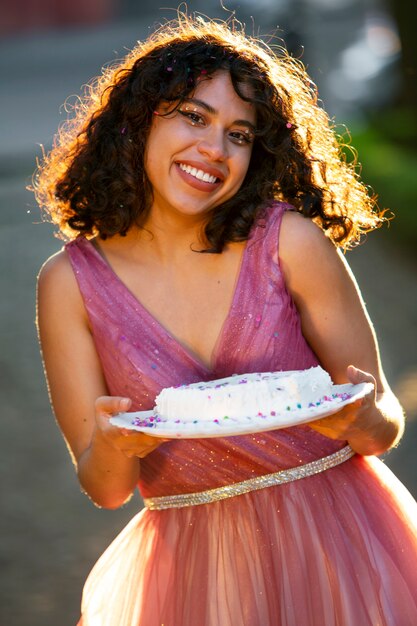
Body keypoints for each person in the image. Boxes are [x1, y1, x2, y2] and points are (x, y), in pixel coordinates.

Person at [34, 14, 417, 626]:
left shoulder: (290, 243)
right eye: (193, 116)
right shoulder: (68, 284)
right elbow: (106, 488)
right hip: (191, 580)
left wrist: (364, 413)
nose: (214, 149)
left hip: (341, 547)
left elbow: (380, 428)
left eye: (239, 134)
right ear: (137, 123)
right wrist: (112, 444)